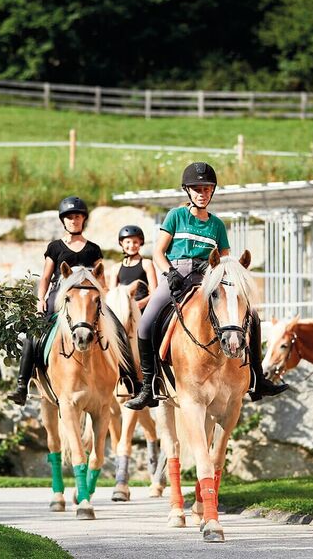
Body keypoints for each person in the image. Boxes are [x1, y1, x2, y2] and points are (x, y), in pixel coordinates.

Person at [124, 162, 289, 410]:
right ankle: (148, 385)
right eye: (197, 188)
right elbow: (158, 252)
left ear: (212, 191)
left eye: (207, 188)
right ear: (187, 191)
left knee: (252, 317)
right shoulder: (175, 216)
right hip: (177, 274)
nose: (202, 193)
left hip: (209, 277)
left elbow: (224, 258)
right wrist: (169, 273)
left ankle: (257, 378)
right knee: (146, 324)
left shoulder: (217, 225)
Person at [8, 196, 104, 406]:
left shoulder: (93, 249)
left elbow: (100, 278)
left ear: (83, 219)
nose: (74, 220)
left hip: (87, 300)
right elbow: (44, 277)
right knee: (33, 335)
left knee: (118, 330)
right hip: (59, 297)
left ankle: (129, 377)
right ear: (63, 221)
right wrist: (40, 299)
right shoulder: (55, 247)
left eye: (77, 217)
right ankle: (22, 385)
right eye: (70, 217)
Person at [111, 225, 157, 311]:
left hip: (142, 308)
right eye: (128, 242)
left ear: (141, 242)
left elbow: (155, 292)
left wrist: (142, 303)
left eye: (135, 242)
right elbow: (112, 294)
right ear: (121, 243)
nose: (131, 245)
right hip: (123, 309)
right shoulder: (115, 268)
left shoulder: (146, 264)